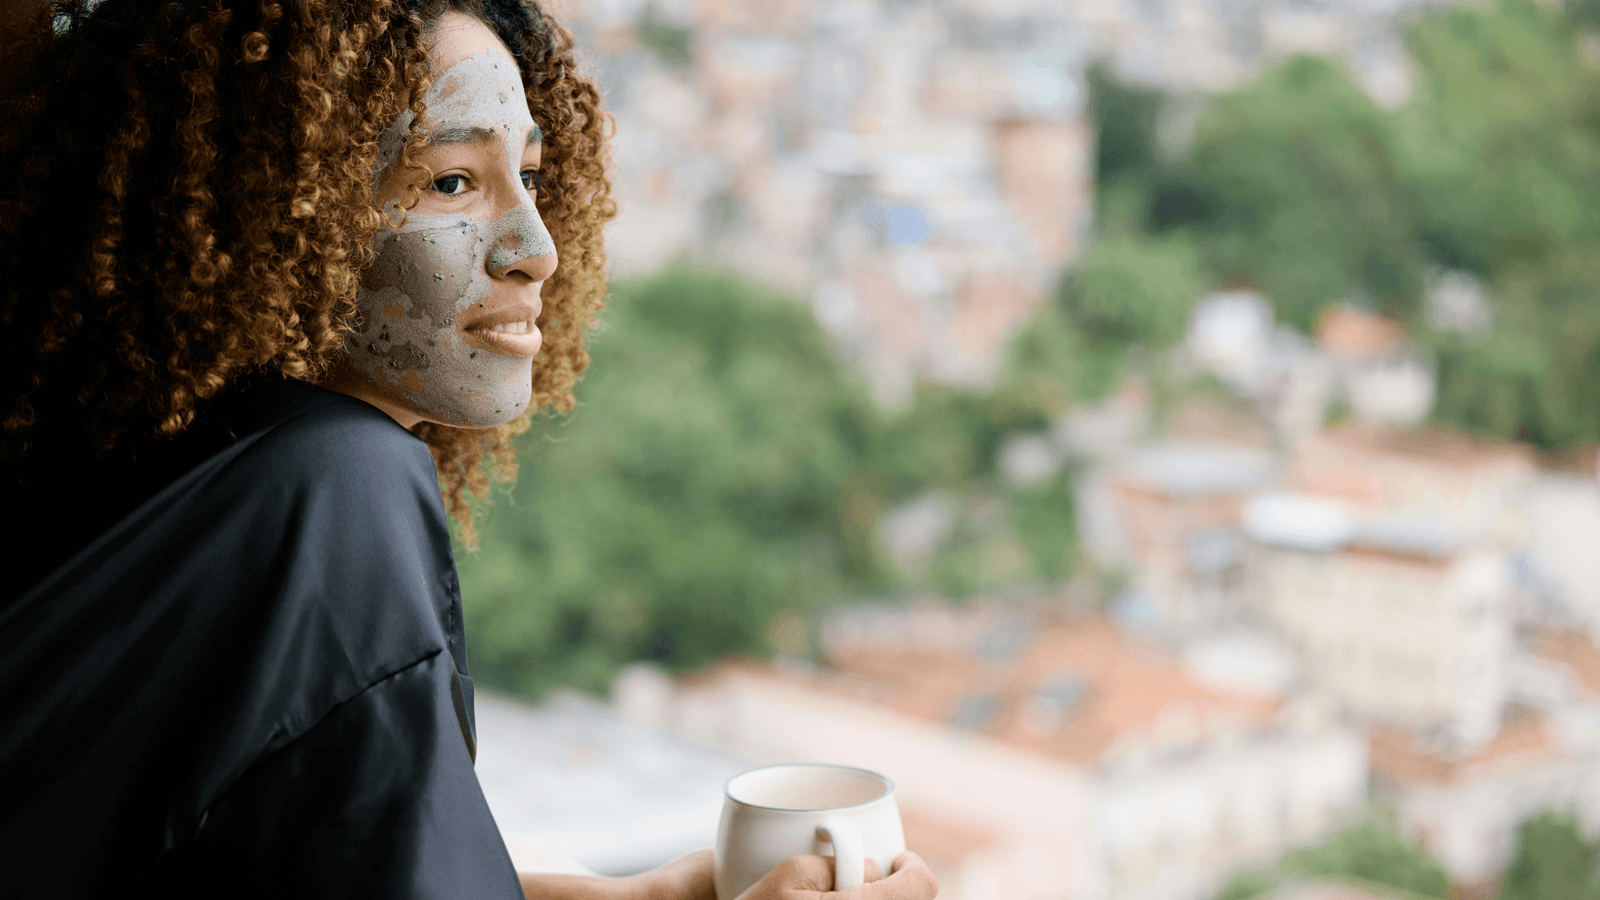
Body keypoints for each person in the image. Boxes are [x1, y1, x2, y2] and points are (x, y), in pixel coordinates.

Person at [0, 1, 939, 898]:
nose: (537, 247)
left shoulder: (151, 494)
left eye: (528, 178)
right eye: (451, 181)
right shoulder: (332, 493)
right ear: (273, 205)